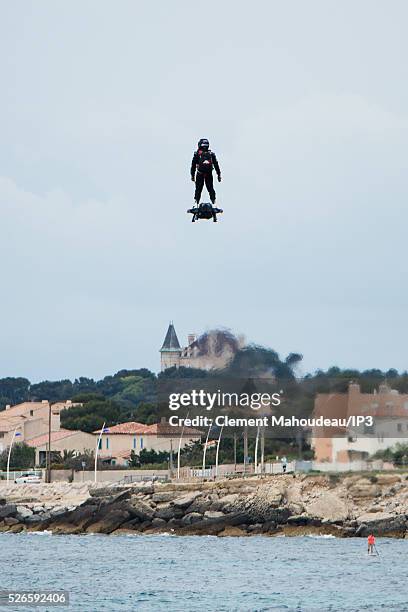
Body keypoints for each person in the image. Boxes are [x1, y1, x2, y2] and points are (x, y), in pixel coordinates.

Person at [191, 138, 221, 205]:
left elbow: (193, 166)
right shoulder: (211, 154)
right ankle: (214, 203)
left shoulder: (197, 154)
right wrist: (219, 175)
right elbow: (216, 165)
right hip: (209, 174)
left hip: (200, 174)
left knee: (198, 189)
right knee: (210, 188)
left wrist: (192, 176)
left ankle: (196, 203)